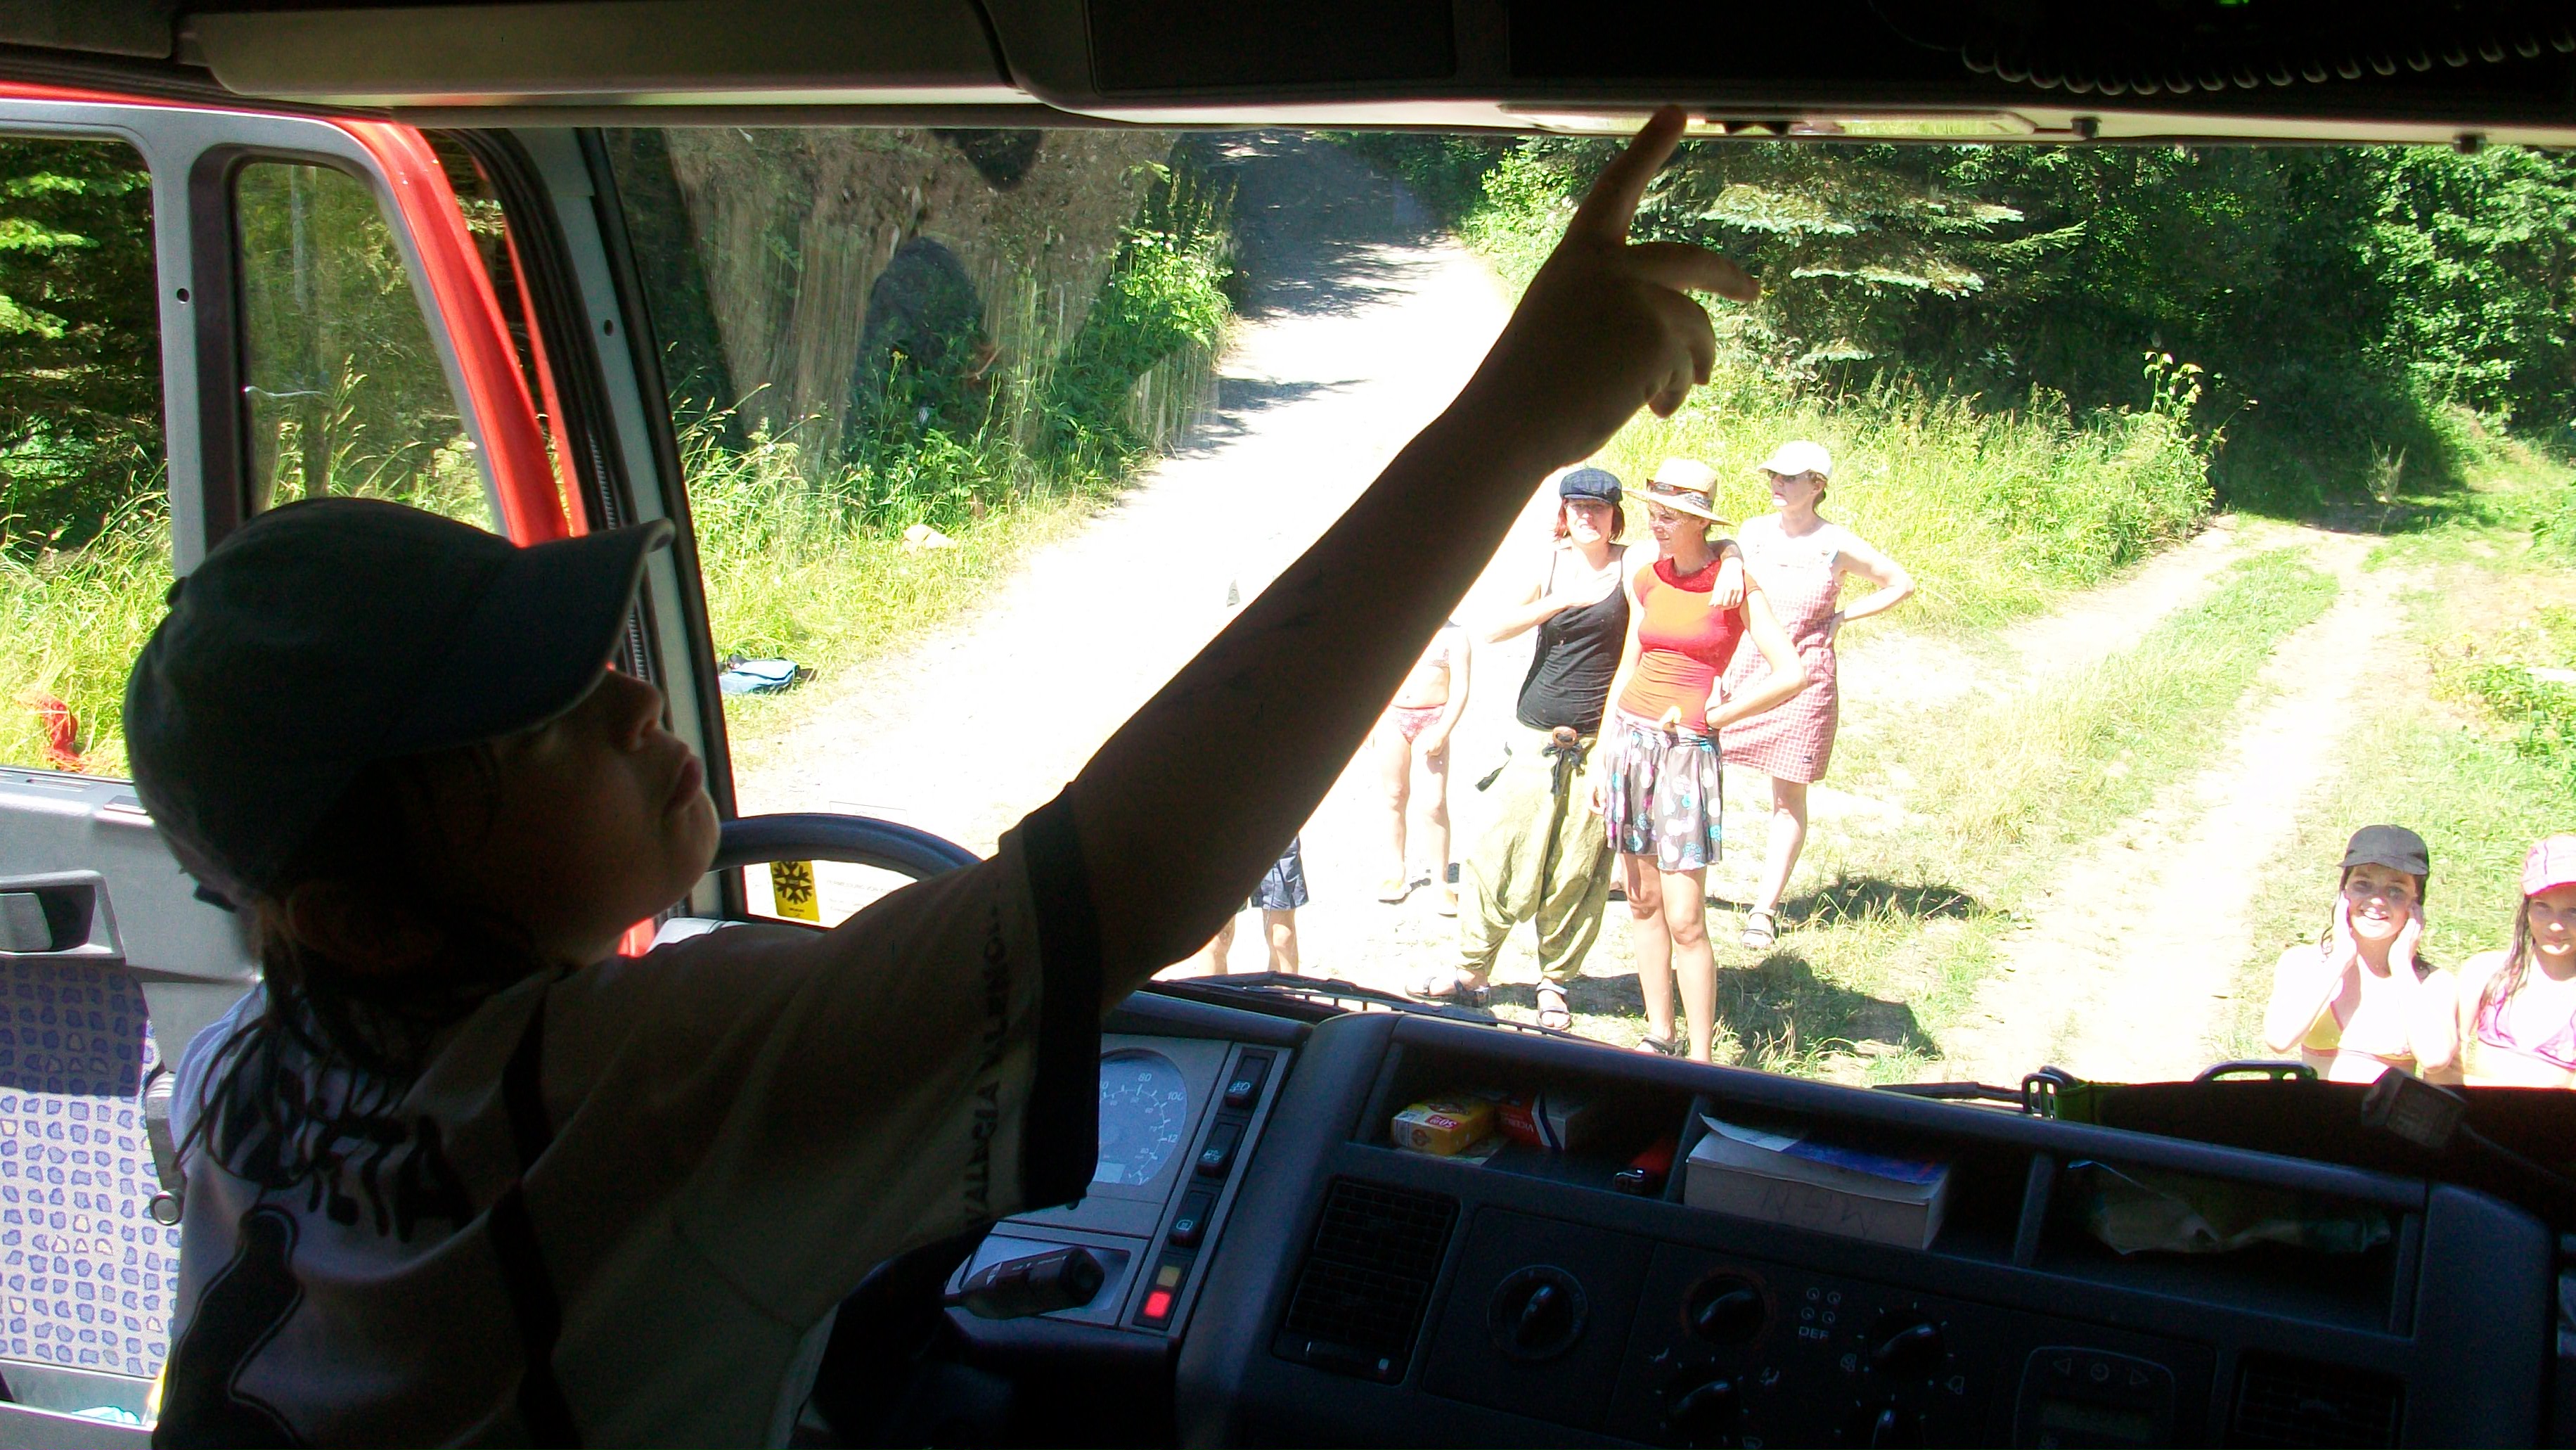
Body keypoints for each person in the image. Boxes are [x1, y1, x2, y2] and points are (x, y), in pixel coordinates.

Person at [139, 108, 1756, 1447]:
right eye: (530, 721)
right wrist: (1512, 417)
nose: (628, 698)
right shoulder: (641, 1078)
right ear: (360, 915)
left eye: (586, 659)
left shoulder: (231, 1077)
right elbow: (1125, 877)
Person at [1413, 466, 1739, 1028]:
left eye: (1599, 507)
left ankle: (1555, 981)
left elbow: (1710, 544)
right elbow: (1492, 628)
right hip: (1534, 732)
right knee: (1496, 856)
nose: (1588, 516)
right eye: (1577, 506)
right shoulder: (1549, 563)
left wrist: (1732, 558)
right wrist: (1559, 600)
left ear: (1616, 516)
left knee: (1578, 870)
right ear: (1564, 513)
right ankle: (1472, 971)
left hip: (1600, 739)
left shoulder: (1633, 563)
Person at [1590, 458, 1809, 1063]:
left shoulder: (1735, 584)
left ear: (1699, 522)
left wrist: (1720, 716)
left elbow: (1792, 672)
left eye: (1669, 516)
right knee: (1641, 901)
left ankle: (1703, 1057)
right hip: (1631, 744)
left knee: (1686, 915)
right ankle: (1659, 1031)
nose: (1655, 524)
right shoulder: (1647, 576)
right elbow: (1629, 664)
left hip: (1686, 753)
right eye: (1654, 512)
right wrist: (1603, 753)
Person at [1720, 440, 1914, 951]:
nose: (1777, 484)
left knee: (1788, 797)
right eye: (1773, 475)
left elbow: (1899, 583)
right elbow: (1726, 566)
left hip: (1804, 683)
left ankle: (1764, 909)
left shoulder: (1836, 543)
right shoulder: (1753, 532)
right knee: (1692, 762)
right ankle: (1644, 875)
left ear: (1817, 486)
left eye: (1789, 477)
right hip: (1742, 671)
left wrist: (1843, 617)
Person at [2259, 825, 2457, 1083]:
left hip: (2384, 1111)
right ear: (2344, 893)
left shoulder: (2434, 983)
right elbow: (2280, 1039)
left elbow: (2435, 1059)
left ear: (2416, 903)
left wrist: (2401, 966)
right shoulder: (2302, 963)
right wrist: (2340, 959)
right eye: (2363, 885)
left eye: (2396, 890)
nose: (2377, 900)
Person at [2452, 835, 2576, 1089]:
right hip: (2477, 1113)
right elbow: (2442, 1073)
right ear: (2526, 908)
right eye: (2543, 907)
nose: (2556, 925)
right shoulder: (2484, 972)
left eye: (2573, 912)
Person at [1372, 620, 1471, 910]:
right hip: (1393, 717)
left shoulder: (1454, 636)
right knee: (1394, 795)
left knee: (1434, 803)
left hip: (1433, 719)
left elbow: (1460, 689)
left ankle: (1440, 882)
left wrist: (1443, 730)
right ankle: (1395, 871)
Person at [1188, 838, 1307, 974]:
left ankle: (1282, 988)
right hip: (1221, 837)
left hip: (1274, 833)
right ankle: (1213, 988)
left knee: (1282, 938)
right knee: (1216, 939)